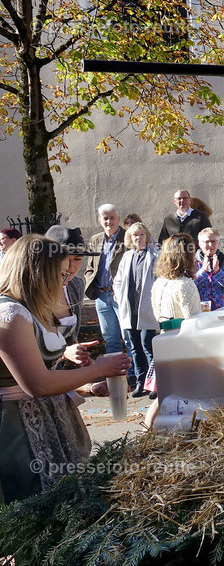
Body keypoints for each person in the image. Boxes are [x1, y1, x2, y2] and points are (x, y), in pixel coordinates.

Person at [0, 235, 130, 503]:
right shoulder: (9, 315)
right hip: (18, 427)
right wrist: (97, 369)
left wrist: (88, 387)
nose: (64, 280)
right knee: (31, 502)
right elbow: (37, 384)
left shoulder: (30, 309)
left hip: (51, 418)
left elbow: (42, 372)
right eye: (59, 273)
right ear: (37, 272)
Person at [145, 233, 203, 400]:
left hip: (164, 344)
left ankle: (148, 426)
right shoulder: (184, 284)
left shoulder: (159, 283)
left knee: (166, 397)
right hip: (185, 348)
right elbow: (195, 322)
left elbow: (158, 315)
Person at [113, 222, 160, 397]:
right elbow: (117, 280)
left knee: (148, 345)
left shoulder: (155, 255)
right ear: (130, 238)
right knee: (134, 347)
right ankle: (140, 383)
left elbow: (158, 279)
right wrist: (118, 296)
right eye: (135, 235)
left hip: (146, 308)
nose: (138, 238)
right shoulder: (126, 257)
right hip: (129, 308)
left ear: (146, 236)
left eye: (141, 235)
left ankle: (154, 384)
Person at [83, 204, 129, 371]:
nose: (109, 221)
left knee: (128, 337)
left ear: (118, 219)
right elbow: (90, 266)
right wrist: (90, 283)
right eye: (105, 218)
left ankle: (132, 374)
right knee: (110, 339)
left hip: (120, 296)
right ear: (100, 221)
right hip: (101, 296)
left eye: (112, 218)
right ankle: (115, 372)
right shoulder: (95, 239)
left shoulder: (127, 237)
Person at [194, 228, 224, 311]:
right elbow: (188, 285)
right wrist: (203, 272)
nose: (210, 245)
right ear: (199, 244)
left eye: (213, 241)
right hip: (198, 310)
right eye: (207, 242)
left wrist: (218, 272)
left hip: (220, 310)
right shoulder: (192, 263)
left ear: (218, 243)